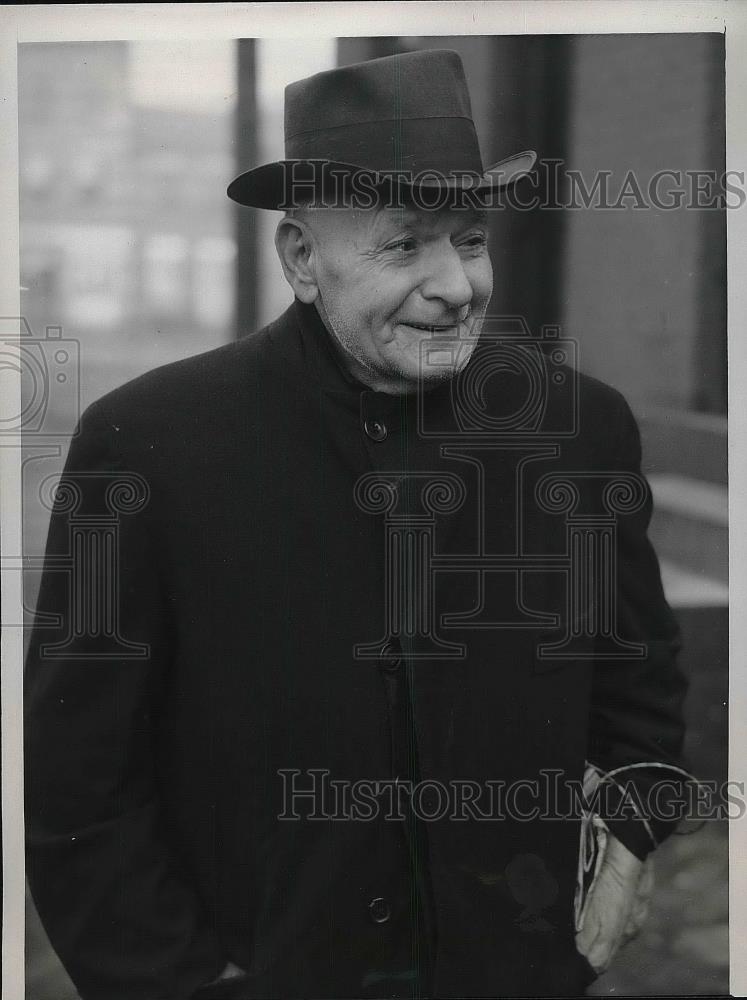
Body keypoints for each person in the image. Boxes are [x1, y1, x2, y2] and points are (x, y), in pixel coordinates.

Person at [25, 49, 688, 1000]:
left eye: (468, 239)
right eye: (403, 244)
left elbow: (641, 685)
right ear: (301, 258)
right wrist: (174, 982)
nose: (456, 285)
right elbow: (77, 777)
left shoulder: (579, 430)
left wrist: (627, 845)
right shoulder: (141, 444)